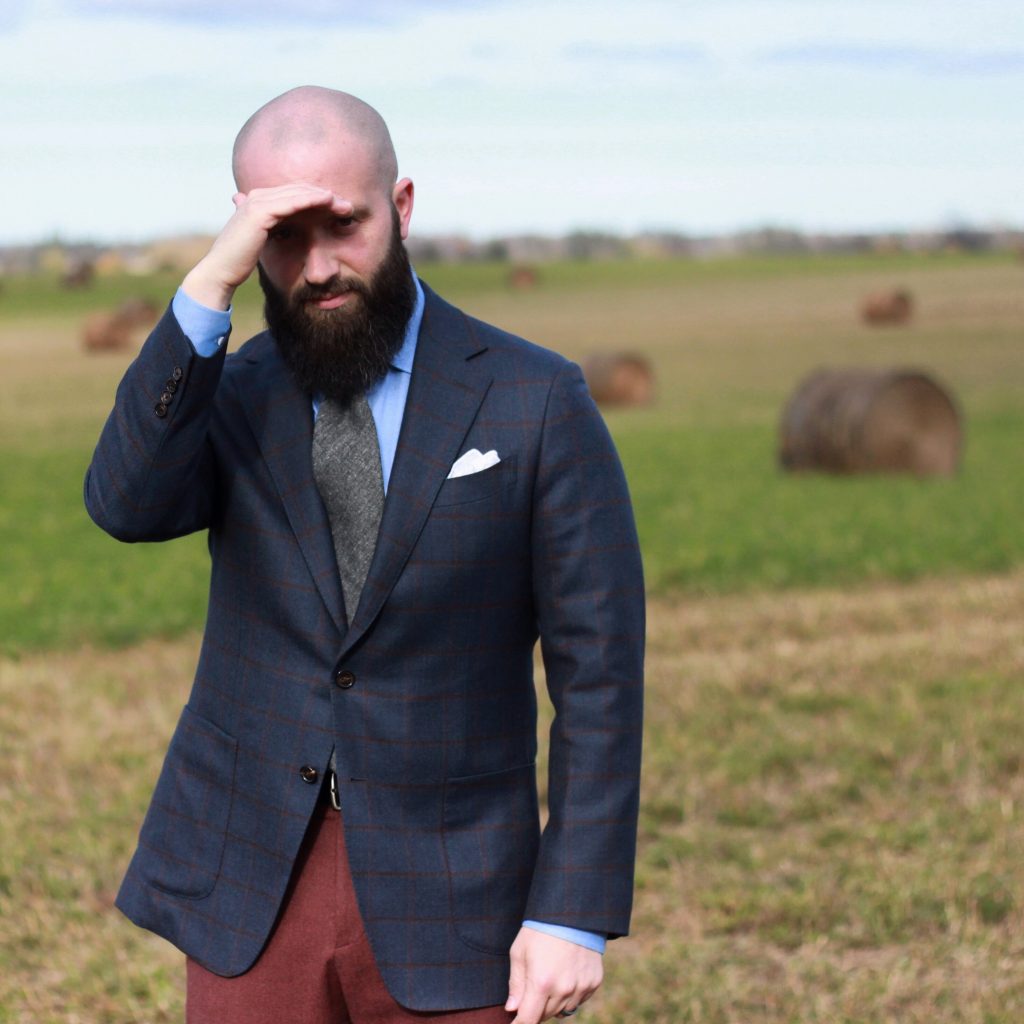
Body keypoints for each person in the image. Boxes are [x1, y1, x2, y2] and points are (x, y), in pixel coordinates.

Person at [85, 86, 644, 1024]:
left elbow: (599, 675)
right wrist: (205, 294)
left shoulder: (535, 398)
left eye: (342, 224)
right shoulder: (230, 388)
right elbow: (125, 505)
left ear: (403, 205)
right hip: (248, 883)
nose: (317, 266)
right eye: (283, 238)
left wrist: (573, 911)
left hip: (460, 893)